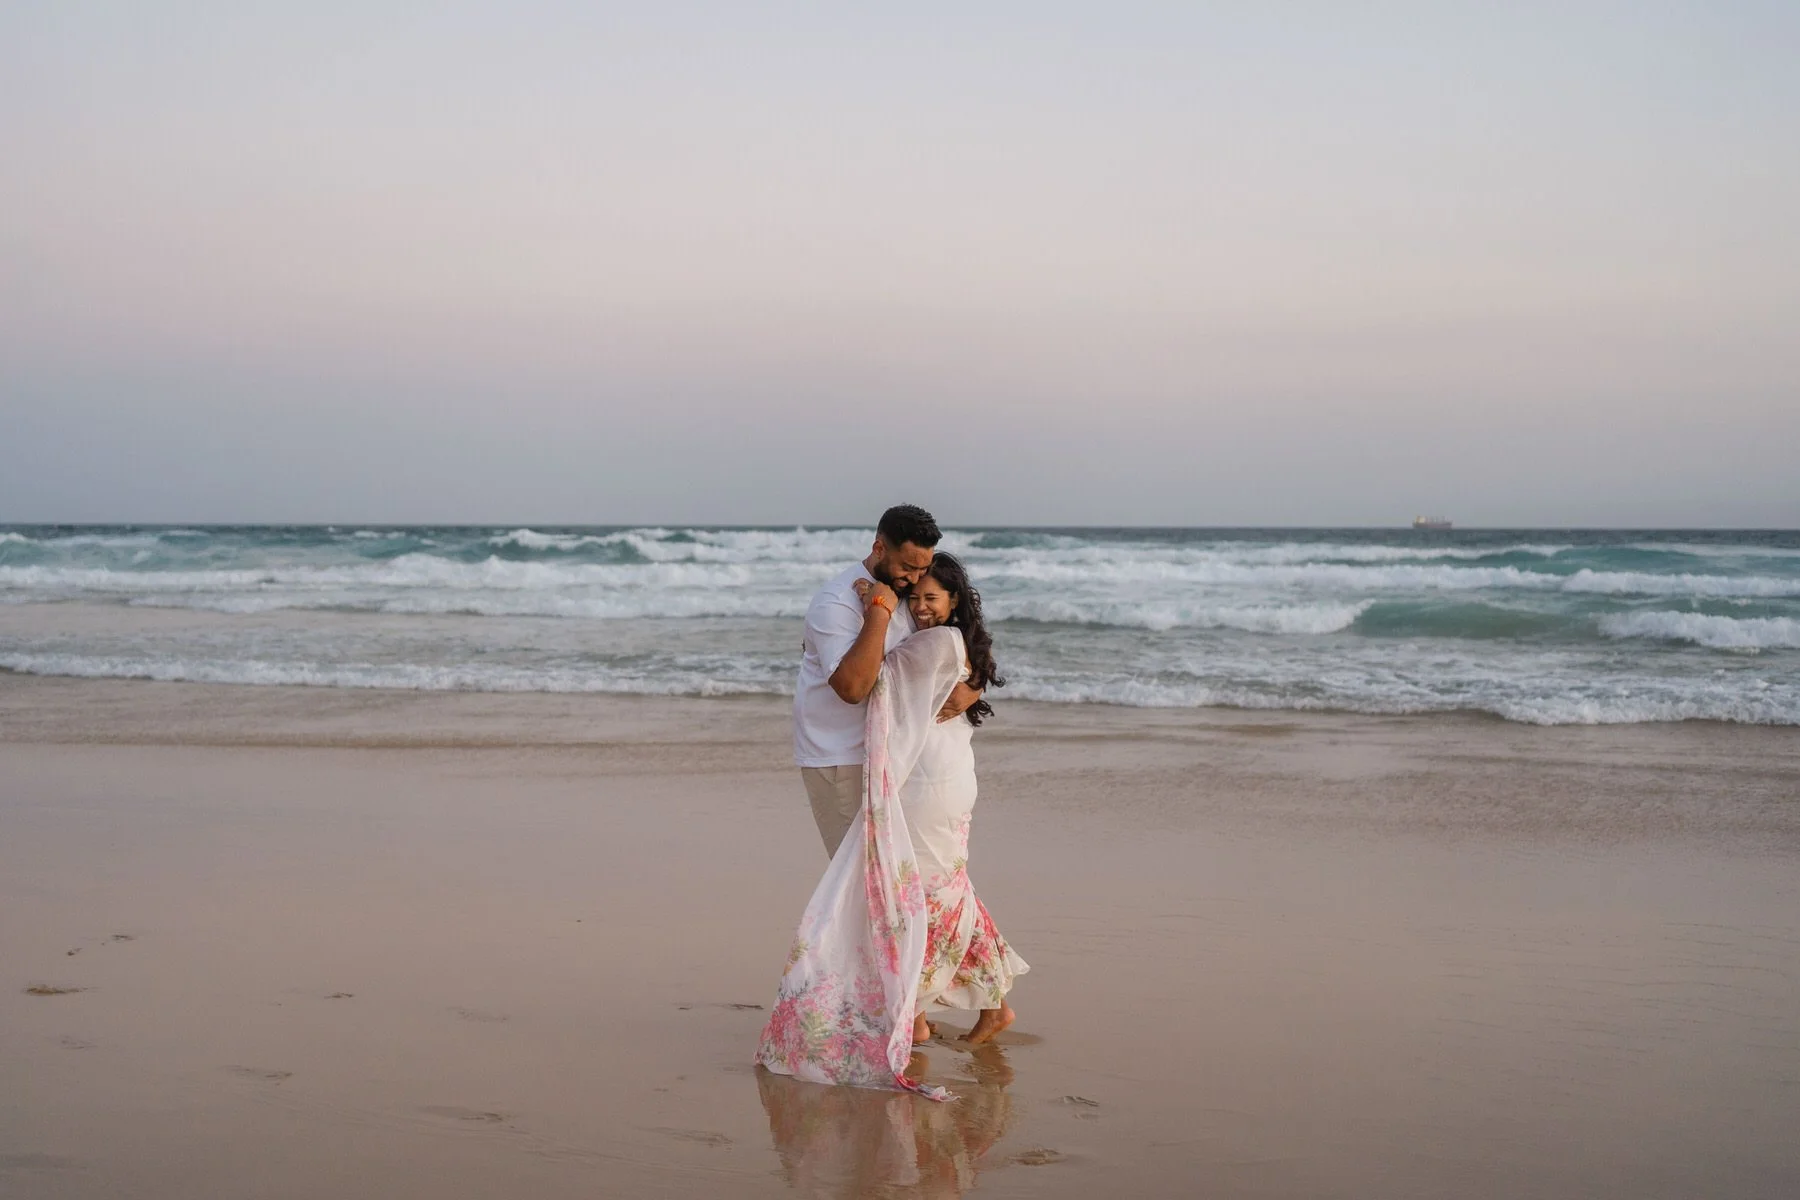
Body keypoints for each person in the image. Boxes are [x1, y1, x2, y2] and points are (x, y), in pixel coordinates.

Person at [759, 552, 1026, 1097]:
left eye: (932, 597)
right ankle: (971, 1008)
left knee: (921, 895)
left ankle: (926, 1012)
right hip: (926, 778)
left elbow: (880, 686)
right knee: (937, 892)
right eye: (914, 596)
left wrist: (878, 609)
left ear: (954, 601)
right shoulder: (949, 643)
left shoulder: (940, 643)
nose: (921, 607)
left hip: (933, 784)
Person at [793, 505, 980, 857]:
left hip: (888, 759)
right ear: (879, 548)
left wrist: (974, 685)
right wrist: (879, 608)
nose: (914, 579)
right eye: (908, 567)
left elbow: (944, 648)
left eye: (922, 569)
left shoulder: (904, 592)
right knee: (862, 882)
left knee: (894, 881)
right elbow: (853, 688)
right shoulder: (838, 604)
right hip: (841, 757)